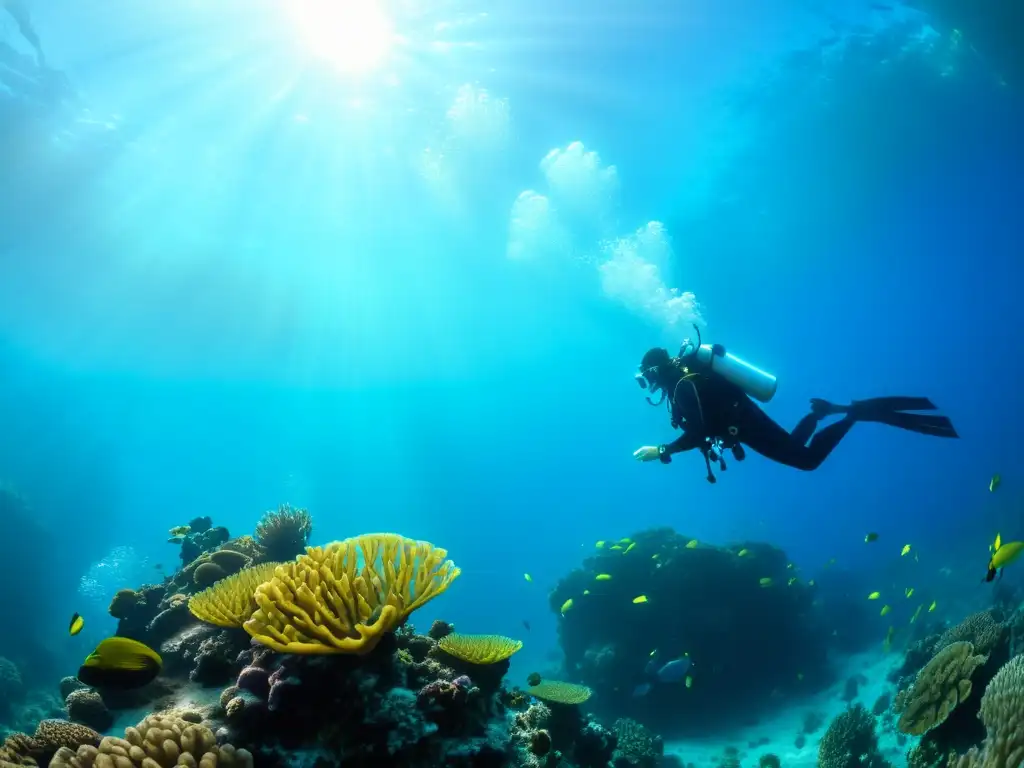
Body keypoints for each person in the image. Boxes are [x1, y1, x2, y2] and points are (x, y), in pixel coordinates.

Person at [631, 331, 958, 483]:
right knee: (794, 445)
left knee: (807, 461)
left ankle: (854, 413)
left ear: (657, 371)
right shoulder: (687, 381)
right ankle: (820, 414)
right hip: (744, 419)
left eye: (647, 378)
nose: (650, 386)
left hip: (744, 424)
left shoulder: (684, 387)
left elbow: (701, 432)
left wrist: (661, 449)